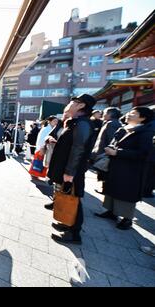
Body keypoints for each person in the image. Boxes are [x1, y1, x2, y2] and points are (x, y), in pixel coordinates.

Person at [47, 94, 97, 244]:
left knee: (73, 199)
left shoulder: (82, 124)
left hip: (73, 171)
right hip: (69, 169)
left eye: (73, 101)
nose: (69, 104)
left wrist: (69, 173)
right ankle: (67, 224)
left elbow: (78, 149)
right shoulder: (75, 122)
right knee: (69, 198)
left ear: (81, 106)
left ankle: (74, 234)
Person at [96, 107, 155, 230]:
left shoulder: (146, 132)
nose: (128, 114)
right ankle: (111, 212)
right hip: (116, 166)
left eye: (133, 113)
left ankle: (127, 219)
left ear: (142, 118)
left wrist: (117, 153)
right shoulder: (124, 128)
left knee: (126, 194)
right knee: (112, 189)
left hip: (131, 170)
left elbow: (143, 153)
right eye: (129, 112)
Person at [90, 107, 123, 194]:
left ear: (110, 114)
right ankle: (104, 188)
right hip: (104, 151)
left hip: (104, 152)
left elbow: (111, 140)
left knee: (103, 171)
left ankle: (105, 189)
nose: (103, 114)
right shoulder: (112, 123)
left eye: (104, 113)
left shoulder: (111, 124)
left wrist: (107, 151)